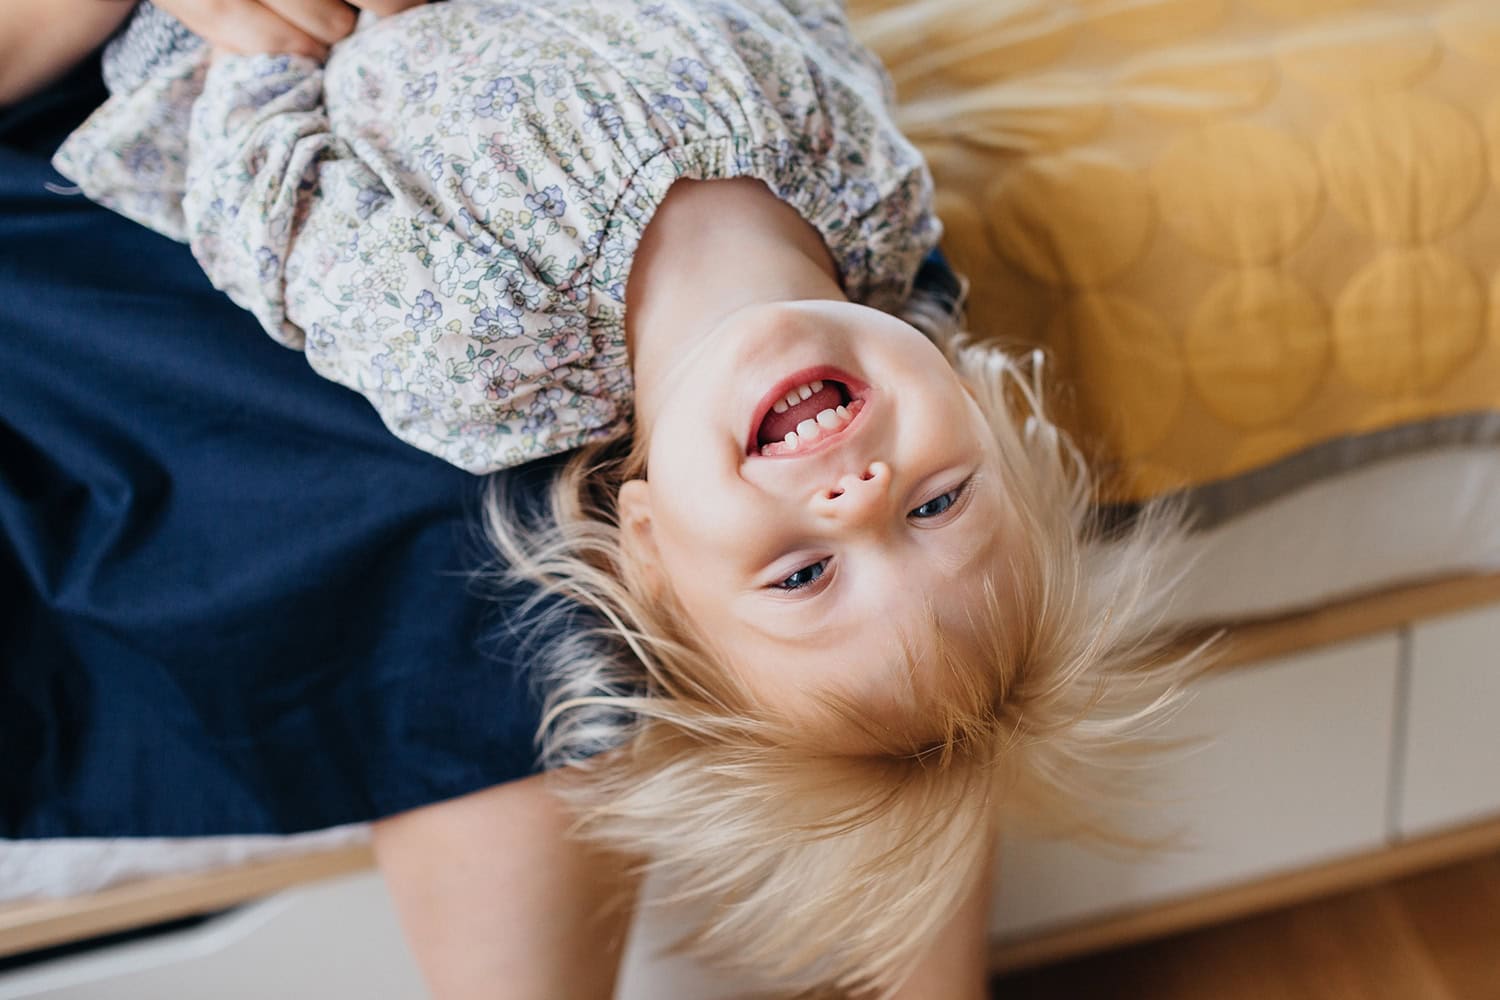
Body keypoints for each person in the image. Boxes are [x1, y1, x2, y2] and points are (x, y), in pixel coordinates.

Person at [24, 0, 1196, 995]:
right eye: (936, 506)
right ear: (982, 413)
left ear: (643, 539)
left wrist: (271, 55)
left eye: (804, 570)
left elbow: (267, 210)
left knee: (469, 531)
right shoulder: (876, 205)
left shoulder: (479, 346)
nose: (856, 492)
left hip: (290, 45)